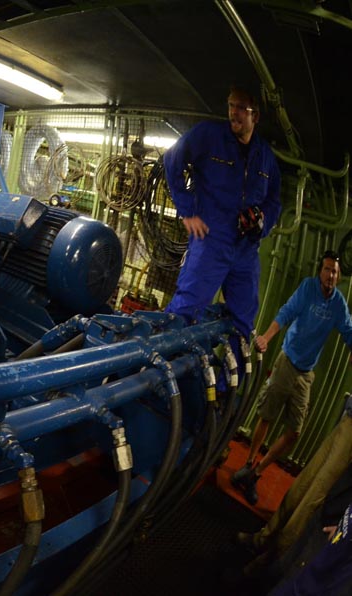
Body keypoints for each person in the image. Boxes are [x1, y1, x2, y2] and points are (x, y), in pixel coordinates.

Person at [232, 251, 352, 505]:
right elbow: (286, 313)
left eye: (335, 271)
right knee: (266, 415)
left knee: (295, 432)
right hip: (287, 362)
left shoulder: (338, 304)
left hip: (306, 374)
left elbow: (348, 331)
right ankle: (248, 462)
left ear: (338, 276)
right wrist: (265, 337)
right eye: (327, 269)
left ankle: (256, 473)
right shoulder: (308, 289)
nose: (331, 275)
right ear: (320, 272)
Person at [164, 86, 282, 341]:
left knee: (243, 324)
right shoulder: (209, 135)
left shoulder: (266, 157)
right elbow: (172, 159)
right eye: (231, 106)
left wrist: (262, 222)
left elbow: (274, 200)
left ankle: (225, 381)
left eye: (242, 108)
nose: (234, 113)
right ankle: (157, 374)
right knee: (185, 312)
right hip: (211, 239)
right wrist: (187, 211)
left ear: (256, 117)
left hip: (246, 249)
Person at [238, 394, 352, 578]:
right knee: (300, 489)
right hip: (348, 420)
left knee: (309, 503)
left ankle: (269, 562)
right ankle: (263, 539)